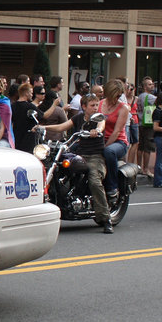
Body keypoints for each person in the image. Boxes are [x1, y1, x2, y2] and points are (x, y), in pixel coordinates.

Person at [40, 93, 113, 233]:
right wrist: (43, 127)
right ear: (84, 106)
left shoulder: (98, 118)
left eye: (96, 105)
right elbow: (62, 127)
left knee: (94, 182)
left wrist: (96, 131)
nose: (95, 108)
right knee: (60, 169)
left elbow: (101, 124)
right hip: (80, 154)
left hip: (95, 157)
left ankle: (106, 218)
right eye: (92, 105)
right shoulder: (78, 118)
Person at [99, 78, 130, 199]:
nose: (117, 98)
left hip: (118, 142)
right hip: (100, 139)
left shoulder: (123, 108)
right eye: (116, 95)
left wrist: (104, 147)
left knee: (109, 152)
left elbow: (117, 131)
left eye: (119, 96)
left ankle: (113, 186)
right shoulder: (100, 104)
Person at [136, 77, 156, 176]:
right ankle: (146, 168)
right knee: (147, 146)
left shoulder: (139, 97)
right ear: (144, 87)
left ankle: (139, 166)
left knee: (141, 146)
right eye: (149, 84)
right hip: (148, 123)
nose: (152, 86)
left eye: (152, 84)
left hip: (140, 123)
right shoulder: (150, 97)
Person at [11, 83, 39, 153]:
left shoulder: (12, 106)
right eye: (31, 93)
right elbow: (44, 116)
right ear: (26, 93)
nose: (32, 95)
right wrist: (54, 105)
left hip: (16, 139)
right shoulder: (31, 107)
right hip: (28, 142)